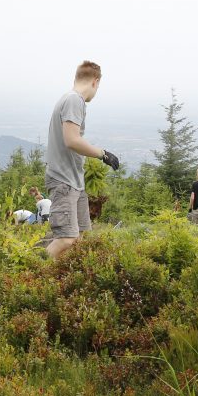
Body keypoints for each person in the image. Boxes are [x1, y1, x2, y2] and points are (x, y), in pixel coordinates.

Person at [44, 61, 119, 259]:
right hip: (63, 180)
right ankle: (33, 270)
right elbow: (72, 140)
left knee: (80, 239)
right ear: (95, 82)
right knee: (66, 239)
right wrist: (103, 154)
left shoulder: (70, 99)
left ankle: (57, 280)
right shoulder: (74, 100)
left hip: (75, 182)